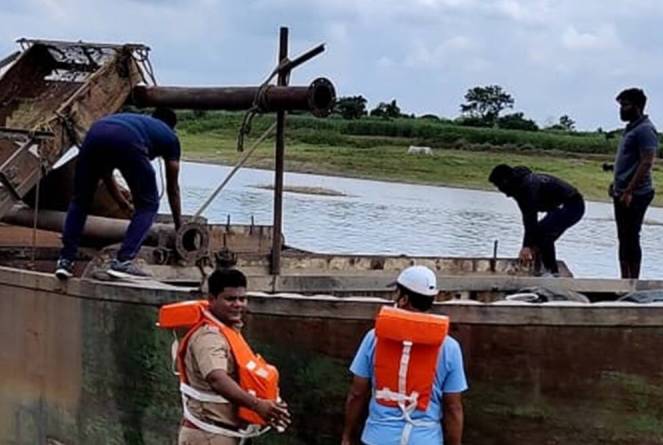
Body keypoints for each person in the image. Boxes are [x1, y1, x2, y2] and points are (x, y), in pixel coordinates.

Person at [160, 268, 291, 445]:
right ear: (212, 299)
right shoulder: (209, 338)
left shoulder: (228, 331)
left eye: (242, 299)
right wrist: (257, 405)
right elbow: (216, 378)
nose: (238, 304)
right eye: (230, 299)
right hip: (209, 435)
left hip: (226, 434)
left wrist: (270, 406)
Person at [342, 265, 467, 445]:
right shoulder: (449, 347)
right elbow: (453, 407)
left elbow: (357, 392)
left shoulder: (374, 338)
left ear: (404, 299)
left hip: (378, 439)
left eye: (396, 293)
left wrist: (347, 436)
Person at [54, 109, 182, 279]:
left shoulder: (139, 121)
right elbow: (173, 189)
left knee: (80, 201)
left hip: (96, 132)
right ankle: (123, 261)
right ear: (173, 127)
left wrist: (122, 202)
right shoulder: (170, 138)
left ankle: (65, 261)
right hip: (128, 140)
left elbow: (105, 173)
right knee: (148, 206)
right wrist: (179, 226)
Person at [489, 164, 585, 276]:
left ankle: (552, 273)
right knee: (538, 237)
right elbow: (529, 221)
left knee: (543, 234)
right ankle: (542, 268)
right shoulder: (519, 184)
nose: (501, 191)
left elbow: (530, 219)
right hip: (559, 207)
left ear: (505, 181)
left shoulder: (527, 188)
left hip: (573, 205)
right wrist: (528, 245)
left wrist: (526, 247)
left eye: (498, 186)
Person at [611, 88, 658, 279]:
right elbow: (628, 161)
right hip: (621, 191)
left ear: (637, 107)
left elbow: (647, 161)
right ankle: (624, 280)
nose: (621, 109)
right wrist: (616, 184)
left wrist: (629, 190)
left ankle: (633, 282)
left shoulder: (645, 129)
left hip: (637, 193)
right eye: (620, 105)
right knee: (623, 237)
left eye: (625, 105)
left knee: (631, 236)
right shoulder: (631, 128)